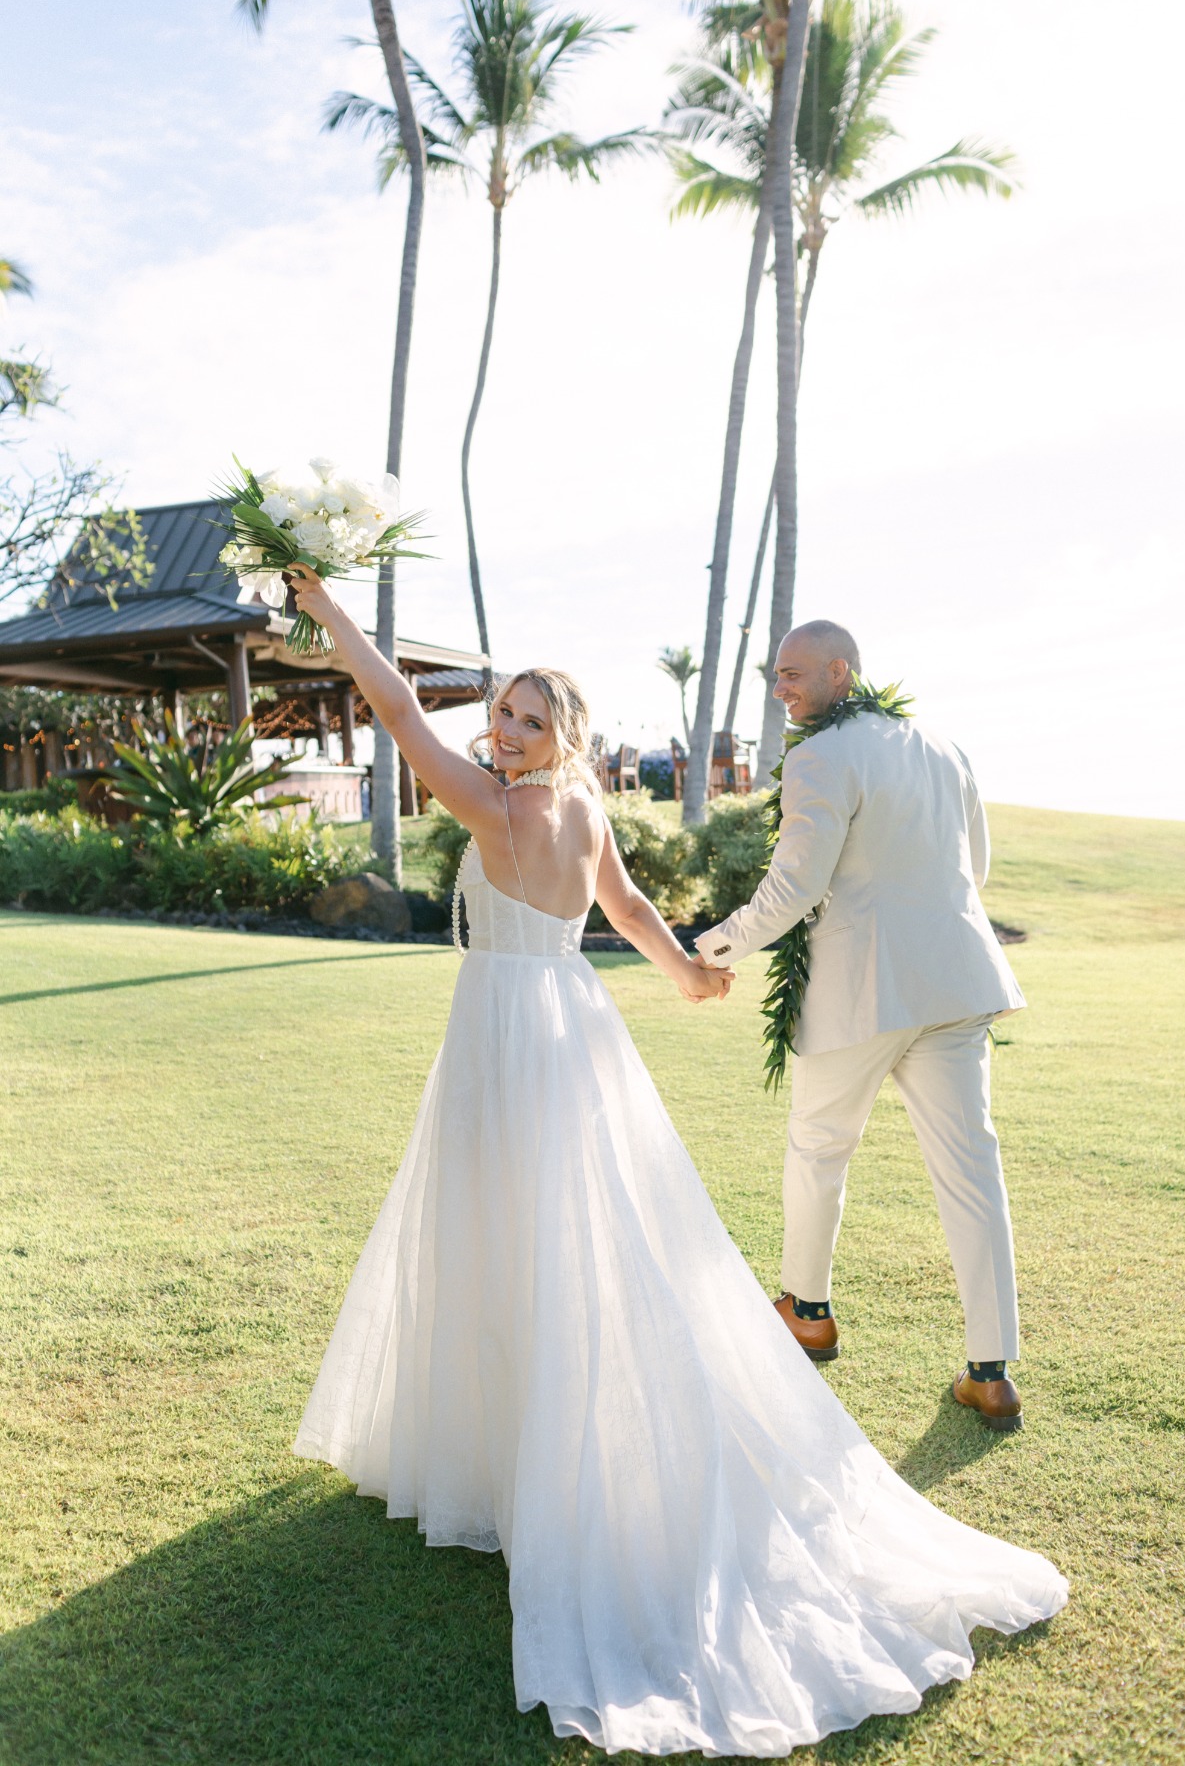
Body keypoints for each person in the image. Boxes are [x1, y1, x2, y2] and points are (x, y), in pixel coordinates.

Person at [287, 568, 1066, 1757]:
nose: (500, 731)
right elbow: (632, 908)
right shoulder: (582, 811)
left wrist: (335, 619)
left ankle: (536, 1464)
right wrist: (692, 975)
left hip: (507, 1032)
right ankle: (521, 1447)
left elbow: (396, 714)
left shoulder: (500, 808)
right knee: (561, 1229)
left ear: (565, 741)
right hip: (571, 1025)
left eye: (526, 720)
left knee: (511, 1227)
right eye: (498, 711)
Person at [696, 621, 1027, 1431]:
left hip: (861, 991)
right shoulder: (943, 745)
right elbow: (972, 871)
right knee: (971, 1169)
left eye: (795, 673)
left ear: (843, 672)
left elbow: (794, 884)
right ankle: (991, 1371)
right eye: (775, 675)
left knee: (818, 1150)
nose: (781, 687)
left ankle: (808, 1312)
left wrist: (710, 948)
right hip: (956, 980)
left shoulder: (819, 756)